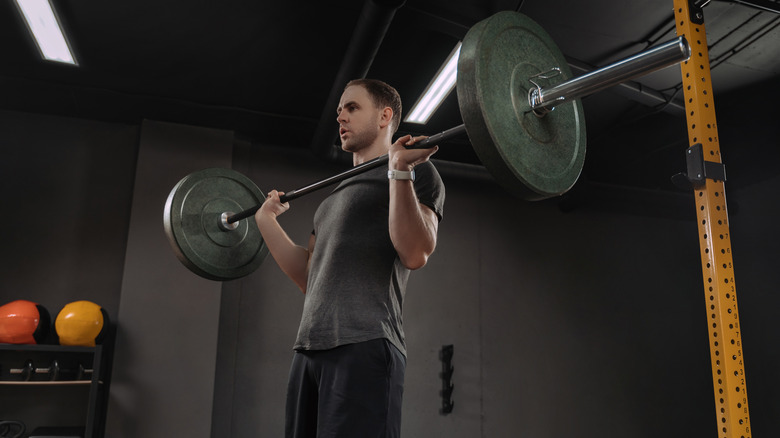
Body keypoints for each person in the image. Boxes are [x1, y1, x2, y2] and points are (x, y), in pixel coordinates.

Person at [254, 78, 445, 438]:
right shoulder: (332, 199)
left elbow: (416, 252)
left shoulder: (416, 170)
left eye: (352, 108)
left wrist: (400, 171)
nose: (340, 116)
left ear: (385, 115)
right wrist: (265, 222)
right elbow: (311, 278)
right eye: (340, 110)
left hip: (364, 343)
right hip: (308, 351)